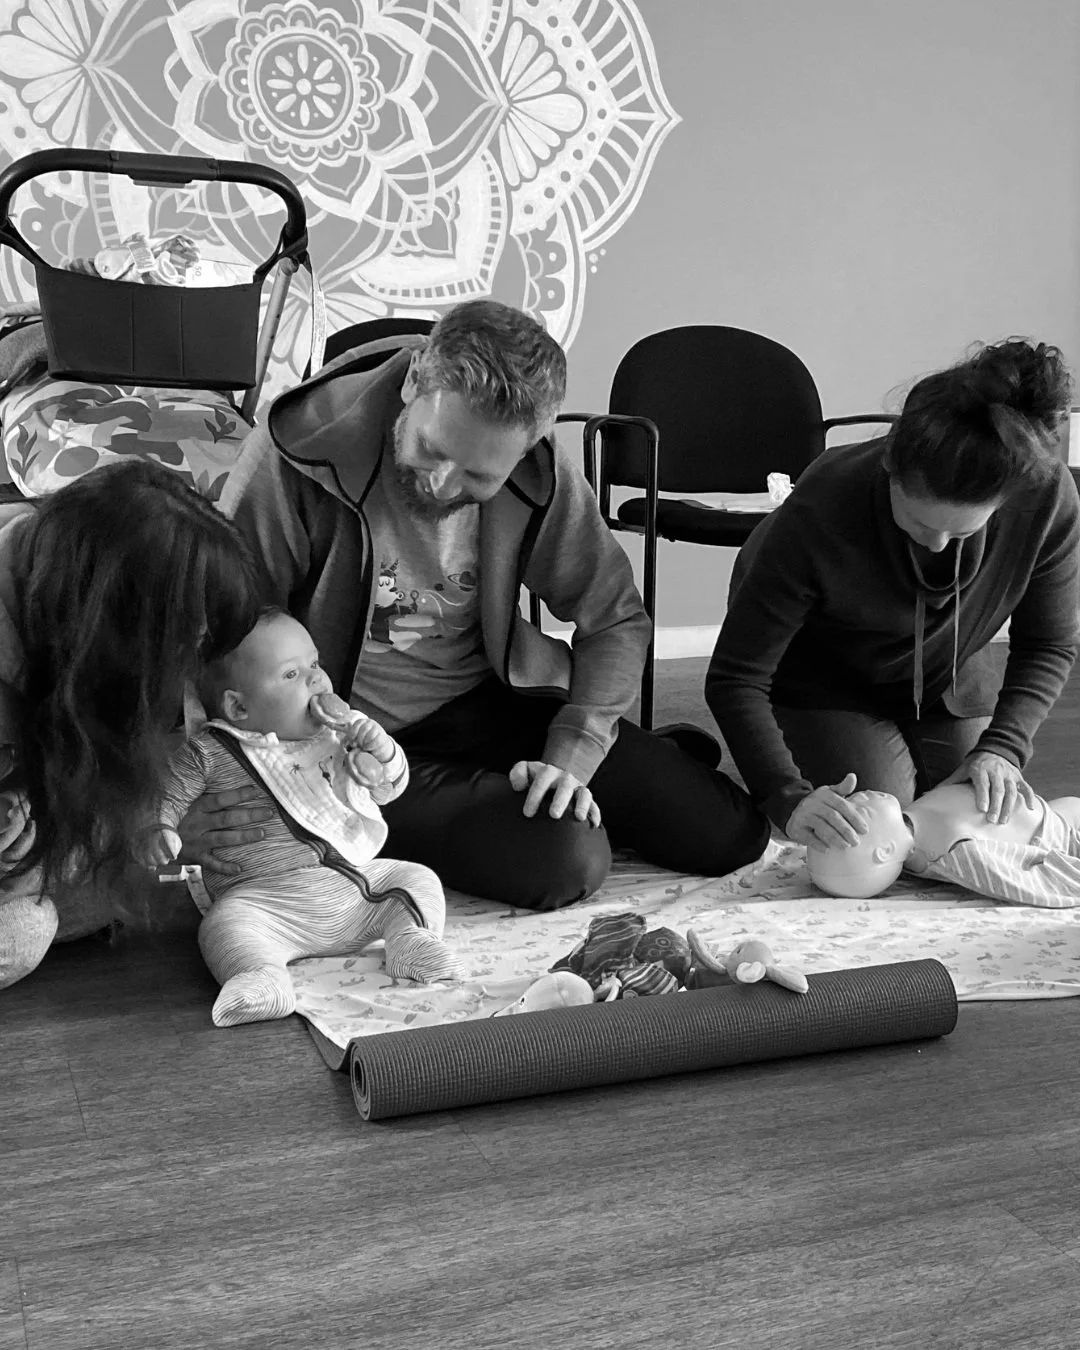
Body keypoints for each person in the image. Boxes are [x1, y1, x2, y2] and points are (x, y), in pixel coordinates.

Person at [180, 299, 769, 909]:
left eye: (478, 477)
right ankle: (453, 808)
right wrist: (214, 783)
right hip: (344, 741)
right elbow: (216, 634)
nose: (440, 483)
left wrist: (573, 754)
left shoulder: (538, 468)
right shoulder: (297, 448)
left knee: (729, 833)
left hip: (488, 697)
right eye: (432, 448)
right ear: (414, 381)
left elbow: (613, 614)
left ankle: (501, 795)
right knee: (564, 859)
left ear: (528, 448)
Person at [706, 339, 1080, 852]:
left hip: (947, 673)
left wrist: (1004, 747)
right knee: (873, 830)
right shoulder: (821, 506)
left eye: (961, 532)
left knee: (980, 828)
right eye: (922, 523)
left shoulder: (1046, 496)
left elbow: (1049, 644)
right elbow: (737, 676)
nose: (937, 544)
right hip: (822, 677)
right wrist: (787, 798)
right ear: (891, 466)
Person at [0, 458, 265, 990]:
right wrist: (135, 852)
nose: (188, 672)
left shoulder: (49, 565)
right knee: (26, 930)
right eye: (180, 646)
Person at [143, 609, 459, 1027]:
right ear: (238, 706)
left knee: (415, 879)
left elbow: (388, 788)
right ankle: (261, 977)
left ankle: (409, 941)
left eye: (315, 664)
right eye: (291, 675)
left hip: (354, 892)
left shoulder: (341, 736)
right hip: (263, 906)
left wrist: (382, 753)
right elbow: (167, 793)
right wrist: (158, 828)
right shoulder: (212, 751)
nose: (316, 680)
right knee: (223, 926)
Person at [806, 781, 1080, 905]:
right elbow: (1018, 879)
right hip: (1055, 832)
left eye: (849, 801)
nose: (859, 795)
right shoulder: (954, 854)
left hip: (1042, 812)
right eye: (862, 809)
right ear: (885, 851)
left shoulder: (913, 823)